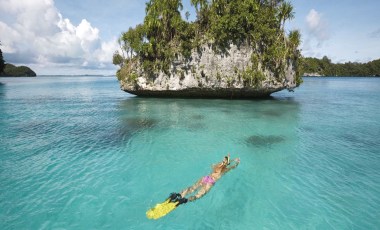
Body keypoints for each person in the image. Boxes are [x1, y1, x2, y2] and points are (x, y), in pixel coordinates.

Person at [168, 154, 240, 205]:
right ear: (227, 164)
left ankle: (178, 195)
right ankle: (185, 200)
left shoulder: (216, 166)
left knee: (192, 188)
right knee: (199, 195)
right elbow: (232, 166)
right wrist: (236, 162)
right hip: (211, 182)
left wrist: (230, 159)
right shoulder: (225, 170)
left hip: (206, 177)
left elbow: (215, 165)